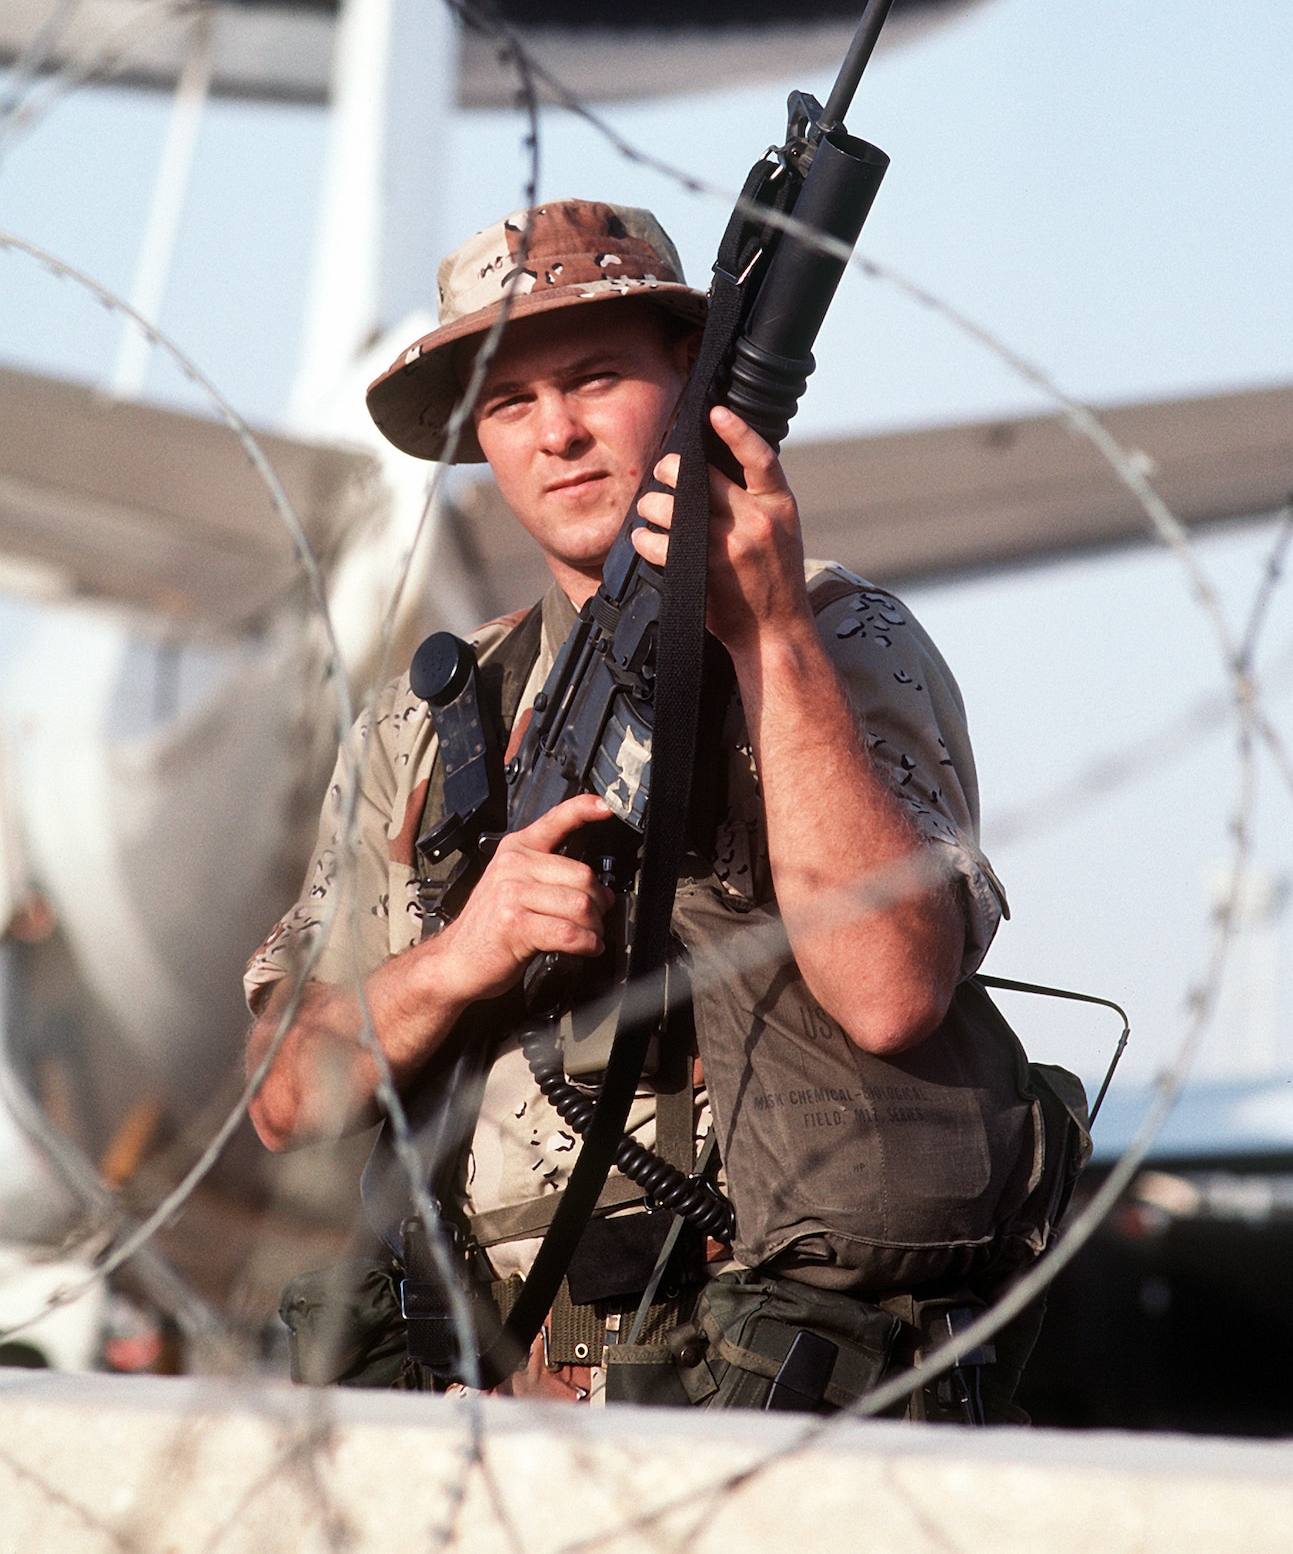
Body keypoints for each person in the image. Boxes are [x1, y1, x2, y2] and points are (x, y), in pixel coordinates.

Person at [245, 198, 1084, 1415]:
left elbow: (892, 986)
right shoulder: (426, 722)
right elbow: (284, 1099)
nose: (559, 434)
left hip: (749, 1391)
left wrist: (771, 630)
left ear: (689, 382)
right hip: (485, 1403)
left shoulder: (841, 640)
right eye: (511, 402)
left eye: (596, 379)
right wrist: (463, 955)